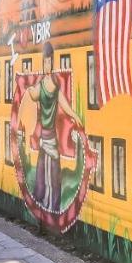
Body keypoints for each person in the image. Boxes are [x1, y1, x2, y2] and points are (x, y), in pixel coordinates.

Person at [24, 42, 80, 213]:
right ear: (43, 62)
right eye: (45, 61)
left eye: (49, 61)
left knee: (53, 175)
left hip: (50, 138)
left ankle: (52, 206)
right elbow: (34, 95)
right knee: (43, 175)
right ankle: (44, 205)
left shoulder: (51, 86)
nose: (47, 65)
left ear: (52, 62)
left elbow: (62, 102)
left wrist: (74, 115)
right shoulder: (45, 85)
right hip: (45, 138)